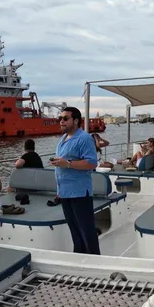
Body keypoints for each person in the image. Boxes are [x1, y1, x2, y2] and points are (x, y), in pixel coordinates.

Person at [50, 107, 100, 255]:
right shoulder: (63, 139)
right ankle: (79, 257)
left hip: (79, 192)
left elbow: (92, 163)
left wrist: (68, 164)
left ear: (76, 121)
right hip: (65, 193)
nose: (61, 121)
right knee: (74, 230)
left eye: (65, 118)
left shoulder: (84, 139)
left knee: (87, 231)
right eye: (60, 118)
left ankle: (95, 261)